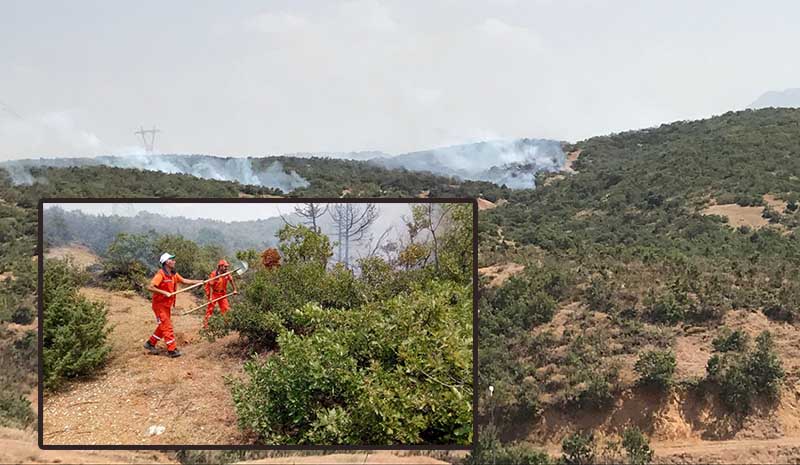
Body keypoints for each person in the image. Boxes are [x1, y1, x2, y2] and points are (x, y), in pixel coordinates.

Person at [143, 252, 204, 358]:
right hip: (159, 305)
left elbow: (184, 280)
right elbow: (150, 287)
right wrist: (164, 292)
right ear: (167, 262)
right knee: (167, 327)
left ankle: (150, 343)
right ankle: (172, 350)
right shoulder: (160, 274)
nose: (174, 261)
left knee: (163, 326)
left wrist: (198, 282)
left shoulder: (173, 274)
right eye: (172, 259)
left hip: (167, 305)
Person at [203, 259, 238, 328]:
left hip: (222, 293)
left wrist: (235, 289)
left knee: (226, 308)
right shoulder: (214, 274)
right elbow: (210, 285)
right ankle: (206, 325)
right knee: (210, 309)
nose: (226, 268)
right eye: (225, 266)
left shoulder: (227, 273)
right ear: (220, 267)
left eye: (227, 266)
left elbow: (231, 280)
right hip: (214, 293)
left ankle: (227, 324)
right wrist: (210, 298)